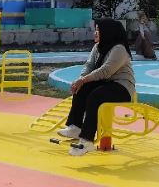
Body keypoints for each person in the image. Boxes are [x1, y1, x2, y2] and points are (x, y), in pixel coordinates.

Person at [57, 18, 136, 156]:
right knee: (83, 88)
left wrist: (83, 80)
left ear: (108, 32)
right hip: (106, 84)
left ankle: (87, 141)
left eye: (98, 30)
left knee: (95, 96)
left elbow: (106, 71)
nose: (95, 33)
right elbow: (89, 65)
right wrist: (81, 80)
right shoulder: (98, 47)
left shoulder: (119, 49)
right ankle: (75, 127)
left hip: (122, 87)